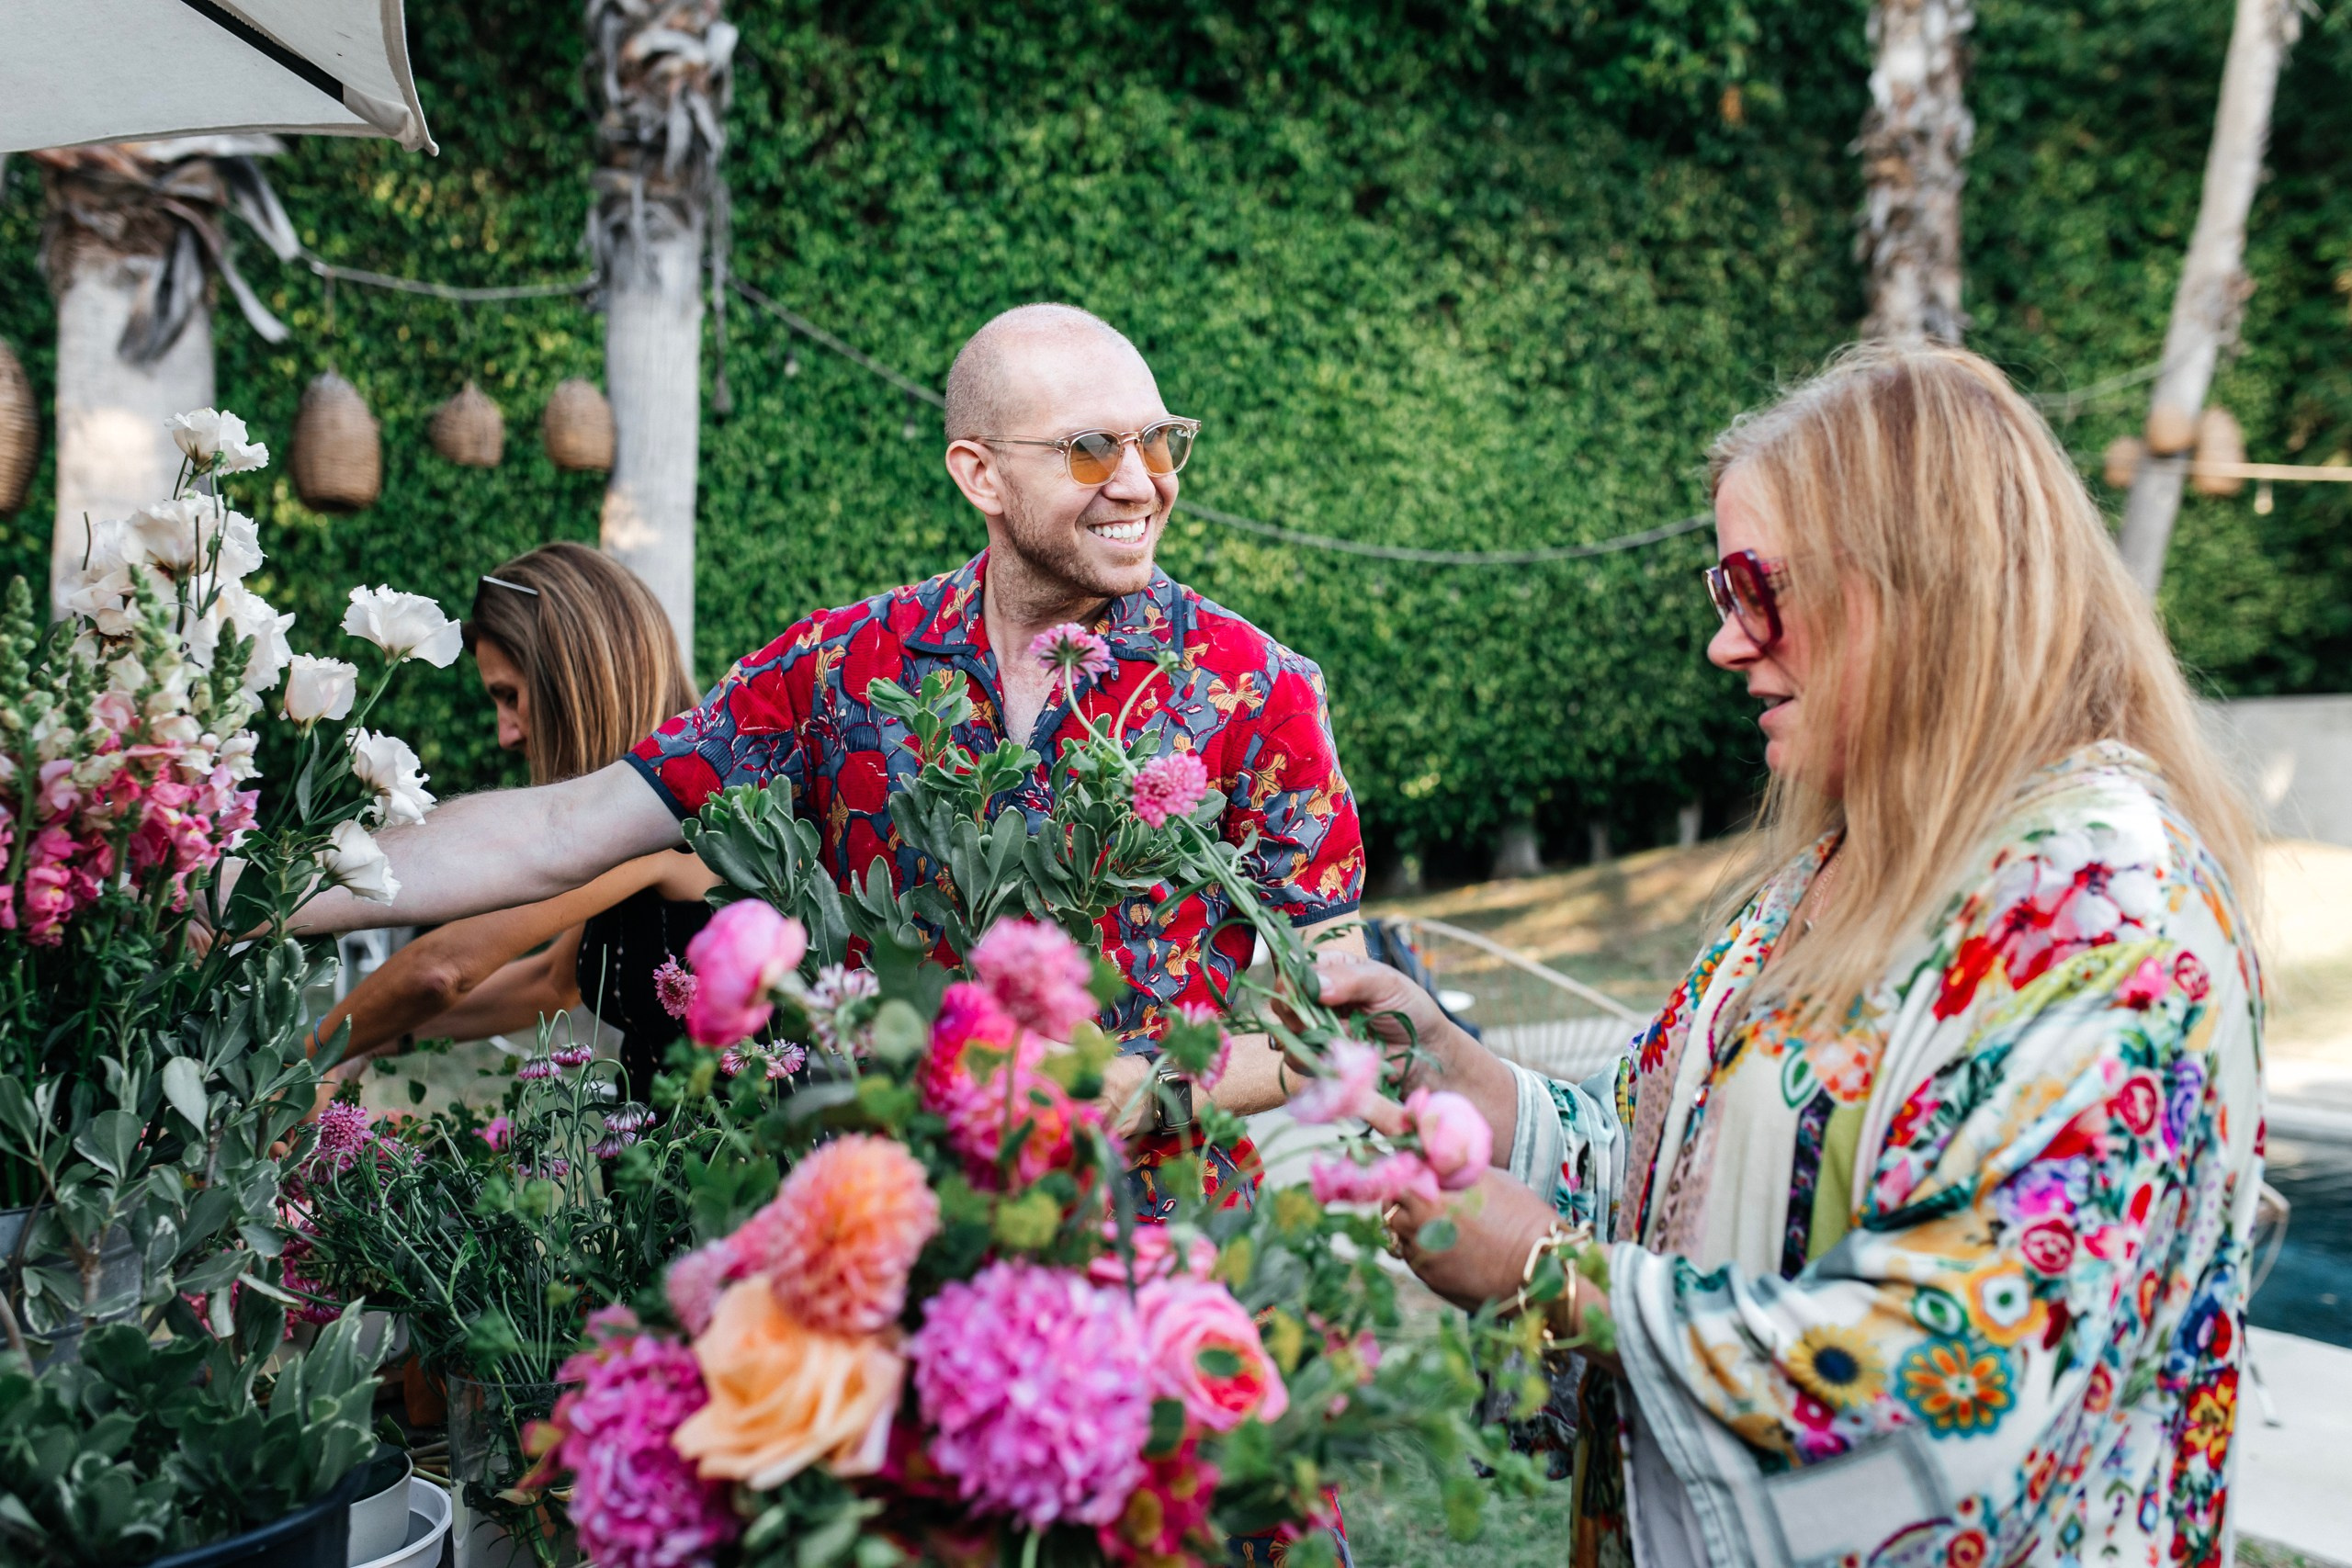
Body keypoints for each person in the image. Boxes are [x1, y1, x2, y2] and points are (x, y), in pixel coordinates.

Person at [1317, 344, 2263, 1568]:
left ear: (1924, 583)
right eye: (1726, 589)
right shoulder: (1839, 868)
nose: (1726, 641)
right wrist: (1459, 1076)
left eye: (1758, 586)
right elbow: (1676, 1176)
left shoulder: (2102, 905)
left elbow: (1954, 1374)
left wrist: (1554, 1281)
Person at [289, 303, 1368, 1210]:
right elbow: (562, 829)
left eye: (1161, 441)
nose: (1140, 483)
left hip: (1160, 1251)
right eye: (1093, 448)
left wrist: (1148, 1089)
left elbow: (1337, 1012)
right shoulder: (838, 668)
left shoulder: (1255, 689)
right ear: (979, 475)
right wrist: (241, 887)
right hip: (884, 1247)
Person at [311, 542, 718, 1101]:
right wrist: (371, 1041)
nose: (505, 733)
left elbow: (448, 965)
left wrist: (307, 1061)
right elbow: (549, 983)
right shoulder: (665, 795)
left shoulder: (668, 807)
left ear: (573, 682)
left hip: (722, 1171)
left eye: (510, 696)